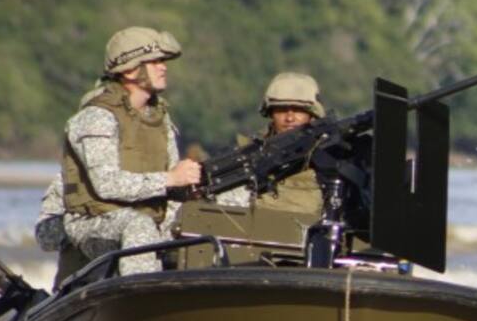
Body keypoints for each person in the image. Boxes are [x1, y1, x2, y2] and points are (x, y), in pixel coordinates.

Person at [61, 26, 201, 276]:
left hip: (146, 219)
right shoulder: (97, 117)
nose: (163, 67)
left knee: (207, 219)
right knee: (139, 226)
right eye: (155, 61)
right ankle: (141, 303)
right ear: (129, 70)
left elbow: (171, 190)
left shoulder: (159, 118)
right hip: (94, 224)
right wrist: (171, 179)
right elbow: (108, 184)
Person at [219, 72, 326, 219]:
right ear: (270, 113)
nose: (289, 118)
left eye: (298, 109)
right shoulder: (248, 154)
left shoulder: (328, 154)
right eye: (281, 109)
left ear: (312, 114)